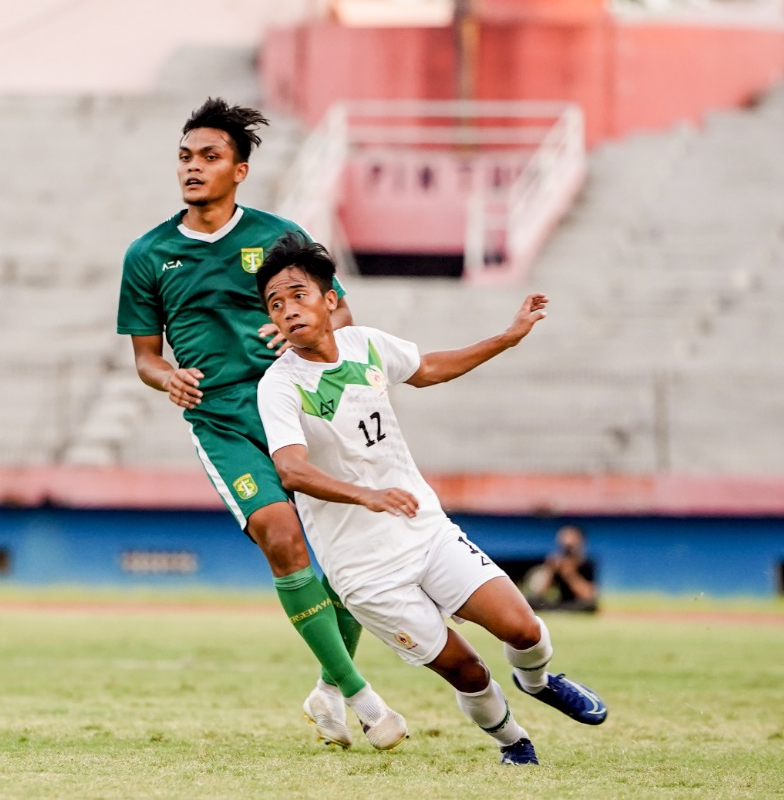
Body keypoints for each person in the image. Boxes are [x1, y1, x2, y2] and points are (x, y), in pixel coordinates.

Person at [116, 98, 407, 750]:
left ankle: (327, 689)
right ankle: (364, 696)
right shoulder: (148, 254)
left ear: (240, 170)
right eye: (186, 156)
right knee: (282, 537)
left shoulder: (278, 239)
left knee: (342, 567)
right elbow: (144, 358)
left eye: (209, 157)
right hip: (221, 422)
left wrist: (301, 325)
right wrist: (172, 378)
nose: (193, 167)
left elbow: (342, 319)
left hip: (301, 417)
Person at [254, 232, 608, 765]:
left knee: (524, 628)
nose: (287, 310)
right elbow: (290, 468)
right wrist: (365, 495)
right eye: (275, 304)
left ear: (330, 300)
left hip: (423, 528)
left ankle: (537, 682)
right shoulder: (279, 385)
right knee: (467, 671)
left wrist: (507, 338)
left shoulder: (365, 344)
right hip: (363, 571)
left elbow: (429, 369)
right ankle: (515, 744)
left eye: (298, 294)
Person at [524, 525, 599, 612]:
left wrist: (570, 574)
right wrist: (550, 570)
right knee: (530, 601)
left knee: (589, 605)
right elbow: (538, 592)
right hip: (559, 603)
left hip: (576, 604)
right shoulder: (556, 562)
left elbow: (588, 595)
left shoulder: (587, 563)